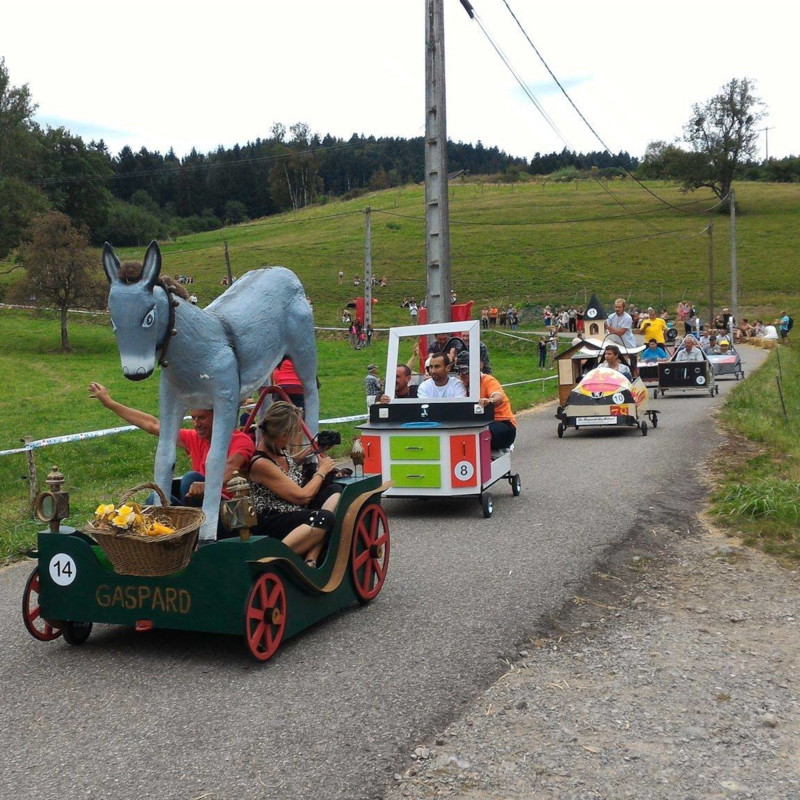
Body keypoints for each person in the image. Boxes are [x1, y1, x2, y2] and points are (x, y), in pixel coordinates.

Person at [88, 382, 254, 506]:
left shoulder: (239, 440)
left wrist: (206, 486)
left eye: (201, 418)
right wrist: (110, 403)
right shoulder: (195, 438)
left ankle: (189, 534)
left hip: (228, 511)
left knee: (191, 478)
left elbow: (232, 468)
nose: (196, 424)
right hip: (197, 507)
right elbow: (152, 425)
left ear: (218, 417)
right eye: (193, 418)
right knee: (155, 499)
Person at [248, 402, 341, 567]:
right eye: (293, 433)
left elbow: (286, 465)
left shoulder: (277, 450)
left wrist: (310, 452)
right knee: (323, 519)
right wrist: (322, 470)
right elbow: (303, 496)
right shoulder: (261, 463)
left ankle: (312, 557)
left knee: (335, 491)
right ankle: (273, 560)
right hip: (272, 519)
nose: (293, 438)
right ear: (283, 434)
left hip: (291, 512)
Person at [455, 352, 516, 450]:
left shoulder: (488, 381)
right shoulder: (460, 385)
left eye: (465, 370)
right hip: (478, 423)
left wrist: (490, 401)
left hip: (502, 423)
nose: (462, 374)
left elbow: (498, 397)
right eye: (458, 370)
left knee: (480, 434)